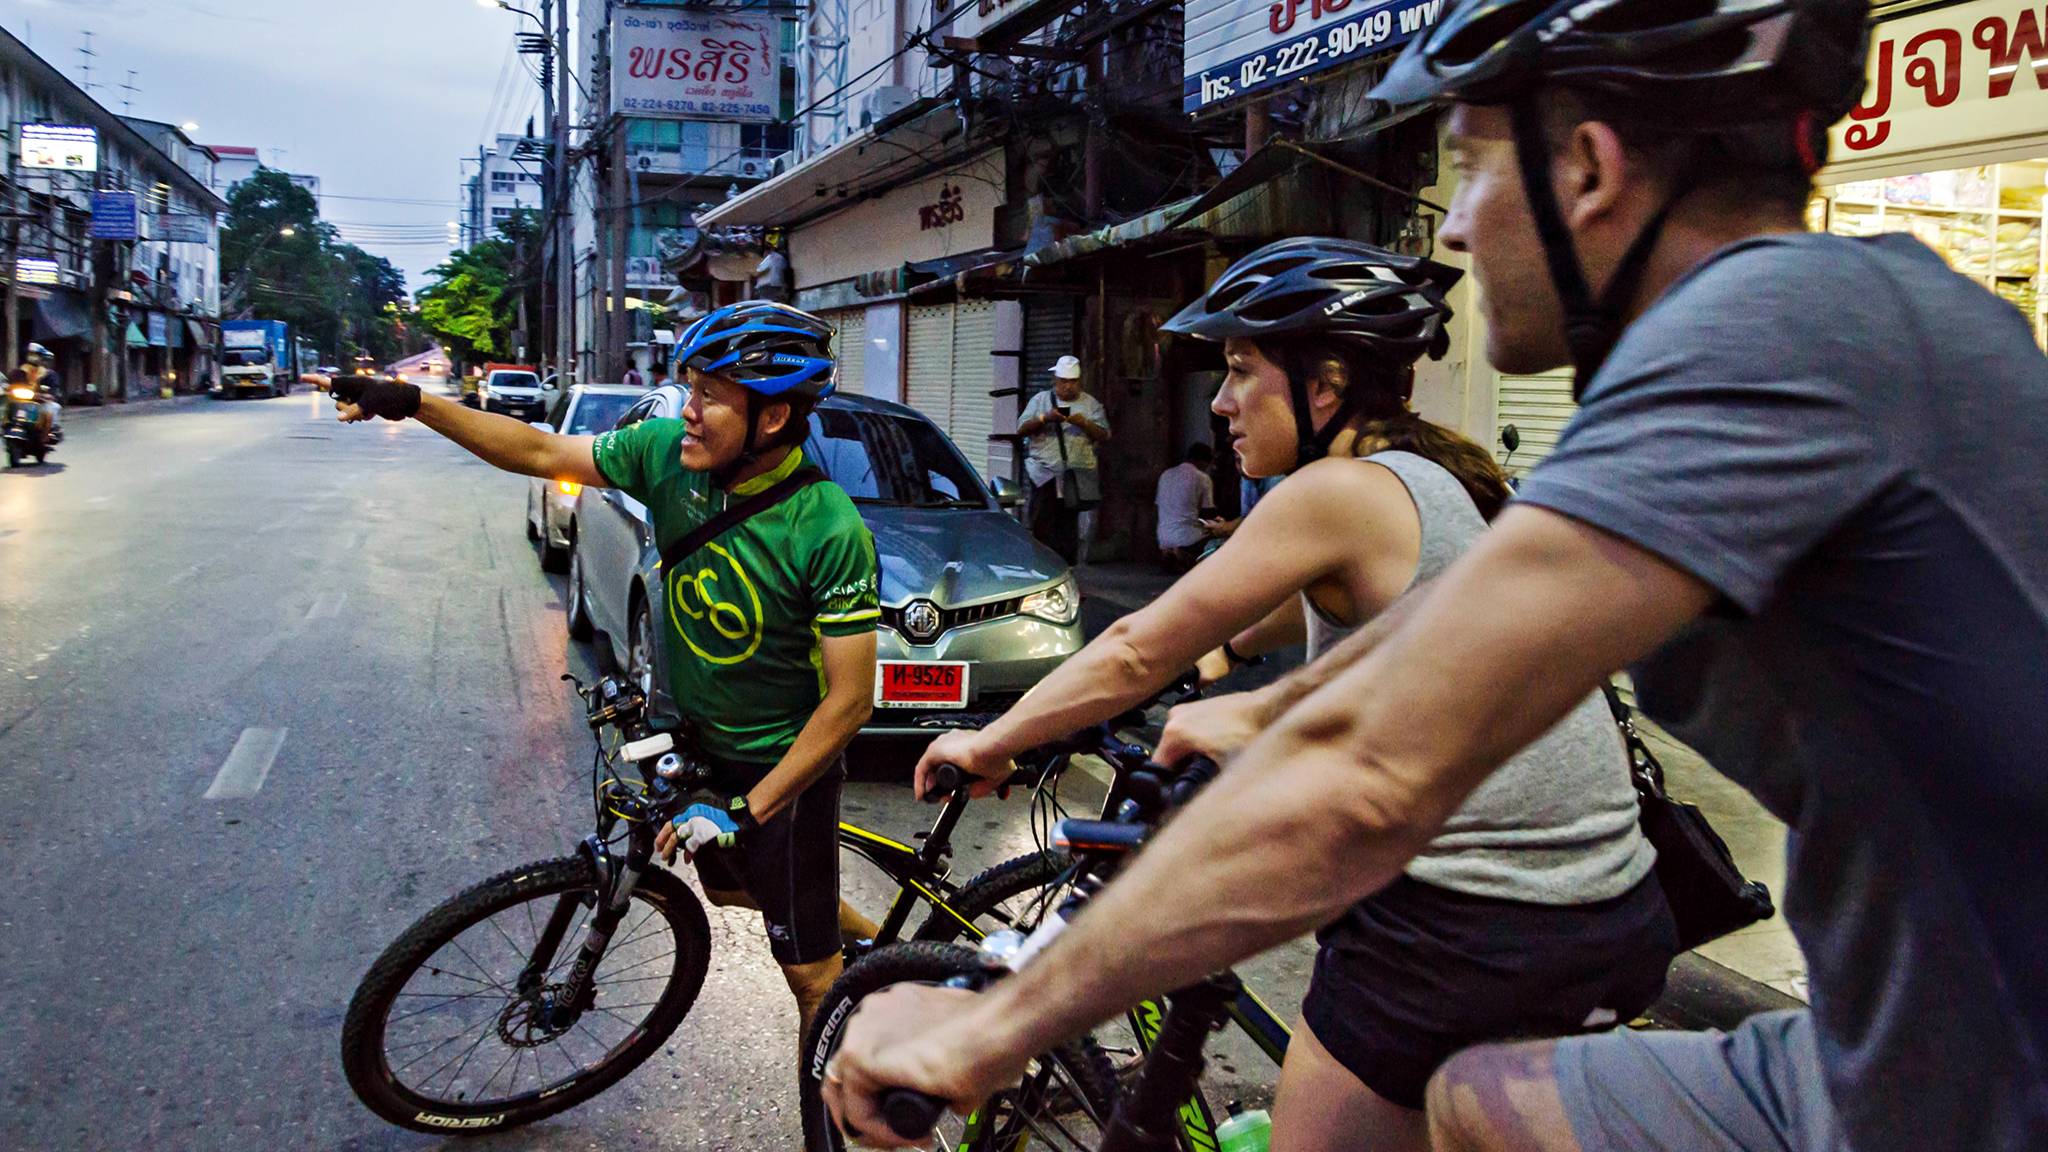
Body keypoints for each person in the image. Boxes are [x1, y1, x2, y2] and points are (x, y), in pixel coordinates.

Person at [821, 3, 2048, 1152]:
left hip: (1971, 1104)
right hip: (1879, 1062)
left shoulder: (1772, 336)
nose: (1452, 228)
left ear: (1587, 169)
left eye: (1468, 169)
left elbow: (1367, 770)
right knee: (1472, 1107)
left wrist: (990, 1021)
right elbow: (1441, 653)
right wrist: (1252, 711)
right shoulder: (1857, 316)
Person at [902, 239, 1673, 1152]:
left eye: (1240, 371)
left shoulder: (1332, 493)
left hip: (1470, 919)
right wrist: (1221, 656)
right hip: (1608, 900)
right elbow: (1274, 619)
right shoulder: (1436, 480)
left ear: (1326, 382)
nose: (1221, 402)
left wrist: (995, 741)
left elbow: (1136, 645)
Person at [315, 301, 883, 1041]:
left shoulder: (829, 528)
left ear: (772, 419)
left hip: (785, 776)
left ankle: (864, 1108)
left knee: (813, 982)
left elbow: (850, 704)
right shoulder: (665, 459)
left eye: (710, 396)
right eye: (688, 388)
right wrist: (419, 403)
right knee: (740, 887)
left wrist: (749, 810)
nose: (689, 411)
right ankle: (879, 944)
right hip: (703, 756)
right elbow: (540, 454)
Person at [1017, 354, 1110, 565]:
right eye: (1063, 382)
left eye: (1073, 382)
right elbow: (1021, 429)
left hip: (1075, 477)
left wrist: (1084, 423)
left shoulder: (1090, 404)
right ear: (1055, 381)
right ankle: (1041, 569)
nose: (1068, 387)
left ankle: (1067, 573)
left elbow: (1105, 435)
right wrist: (1045, 418)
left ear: (1079, 382)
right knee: (1042, 524)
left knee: (1068, 528)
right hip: (1045, 475)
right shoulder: (1040, 400)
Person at [1154, 442, 1218, 571]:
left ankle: (1170, 553)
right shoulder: (1203, 478)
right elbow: (1208, 513)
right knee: (1218, 541)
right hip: (1188, 539)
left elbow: (1157, 507)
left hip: (1163, 537)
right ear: (1203, 462)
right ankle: (1184, 554)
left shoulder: (1166, 474)